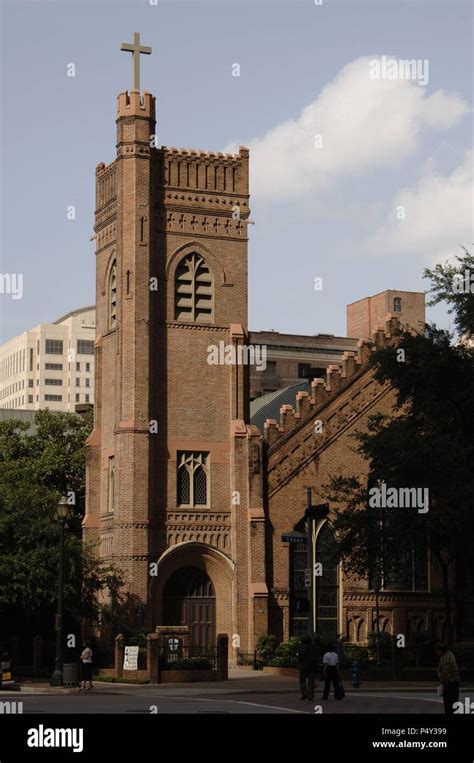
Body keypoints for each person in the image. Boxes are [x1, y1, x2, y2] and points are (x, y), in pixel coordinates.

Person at [436, 643, 460, 715]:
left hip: (451, 682)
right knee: (449, 702)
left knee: (450, 703)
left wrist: (443, 682)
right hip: (449, 682)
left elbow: (447, 672)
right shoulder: (444, 656)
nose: (436, 652)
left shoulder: (447, 657)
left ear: (440, 650)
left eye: (437, 650)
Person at [297, 636, 320, 701]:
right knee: (311, 682)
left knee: (302, 681)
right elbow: (316, 658)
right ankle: (310, 695)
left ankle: (304, 694)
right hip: (311, 666)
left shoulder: (301, 648)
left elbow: (299, 657)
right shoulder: (314, 648)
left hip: (303, 666)